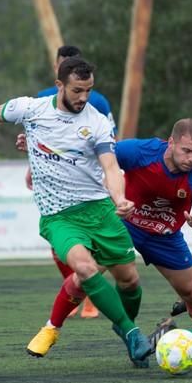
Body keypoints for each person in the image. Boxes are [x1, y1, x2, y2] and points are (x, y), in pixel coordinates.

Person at [0, 56, 153, 368]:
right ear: (59, 85)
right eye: (77, 90)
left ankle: (125, 328)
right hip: (59, 216)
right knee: (84, 269)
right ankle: (132, 332)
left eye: (88, 90)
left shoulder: (96, 121)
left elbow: (110, 166)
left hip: (99, 210)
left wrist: (120, 198)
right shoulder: (32, 109)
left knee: (130, 282)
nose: (83, 97)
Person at [38, 119, 192, 363]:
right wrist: (39, 147)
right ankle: (51, 329)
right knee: (84, 276)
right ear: (171, 143)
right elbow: (96, 154)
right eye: (186, 151)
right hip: (123, 226)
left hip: (164, 236)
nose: (191, 159)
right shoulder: (141, 151)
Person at [30, 44, 119, 319]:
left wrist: (111, 174)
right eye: (62, 63)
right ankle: (76, 287)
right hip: (54, 188)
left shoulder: (98, 102)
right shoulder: (42, 100)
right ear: (57, 70)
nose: (82, 95)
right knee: (61, 245)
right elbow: (36, 140)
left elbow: (110, 138)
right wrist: (29, 166)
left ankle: (90, 293)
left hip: (88, 183)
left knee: (93, 245)